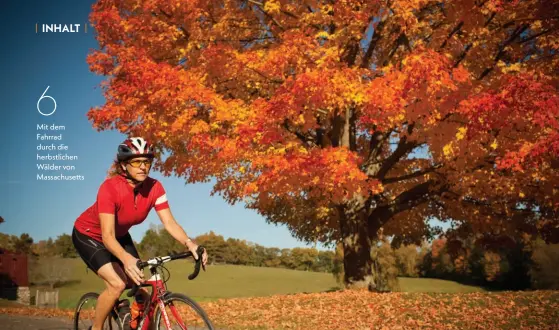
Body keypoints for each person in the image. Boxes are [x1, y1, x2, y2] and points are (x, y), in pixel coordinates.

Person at [72, 137, 208, 330]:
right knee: (117, 284)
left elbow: (169, 222)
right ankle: (97, 327)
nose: (143, 167)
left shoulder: (155, 187)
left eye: (147, 162)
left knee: (143, 288)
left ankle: (131, 319)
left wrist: (190, 243)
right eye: (137, 162)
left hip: (119, 235)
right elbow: (107, 235)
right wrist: (126, 259)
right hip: (89, 235)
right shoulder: (109, 188)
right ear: (124, 165)